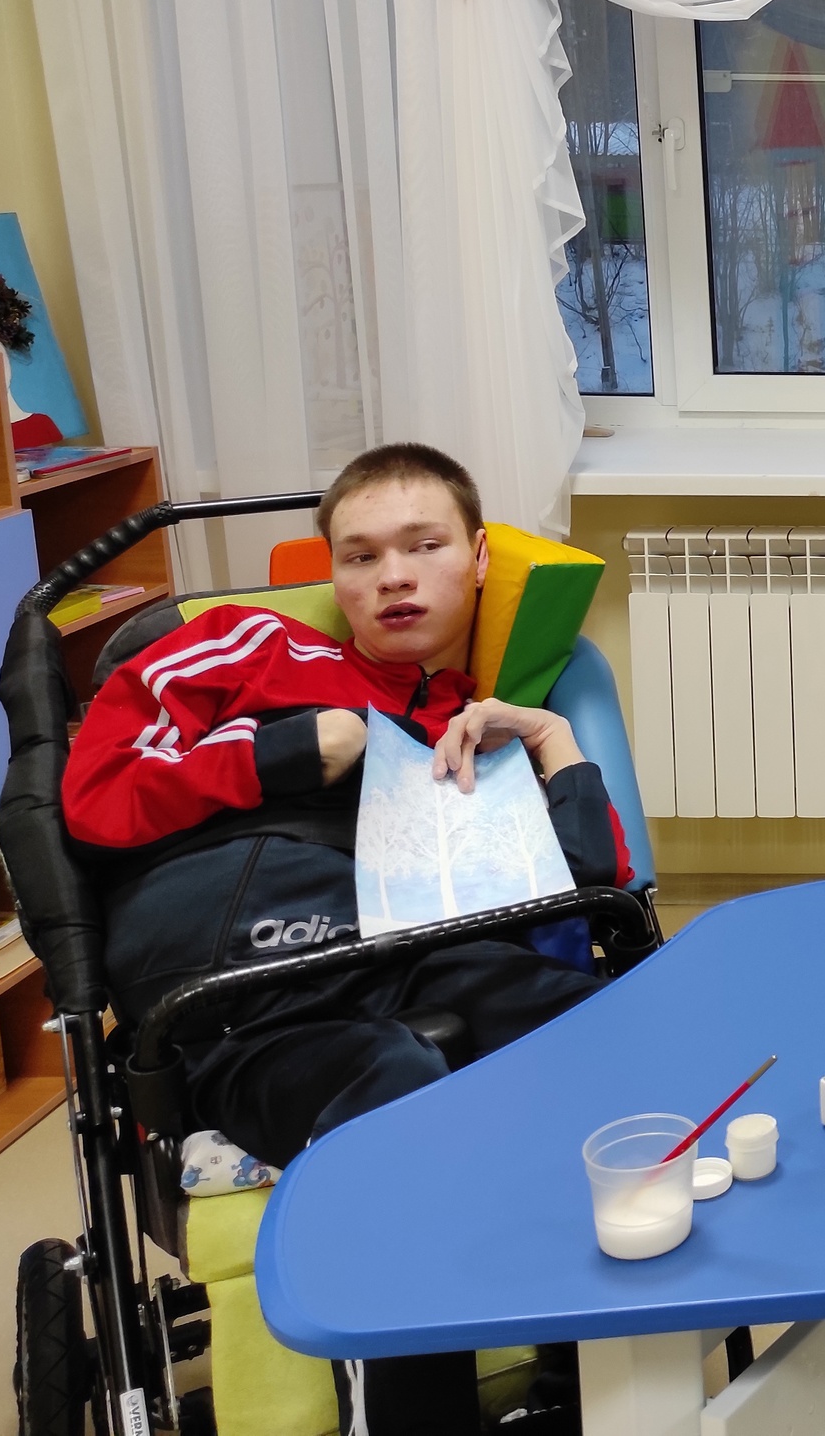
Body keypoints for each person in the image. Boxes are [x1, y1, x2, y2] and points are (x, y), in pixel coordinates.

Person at [64, 442, 633, 1436]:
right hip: (241, 984)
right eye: (361, 556)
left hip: (409, 956)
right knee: (395, 1088)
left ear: (479, 558)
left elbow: (588, 889)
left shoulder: (474, 719)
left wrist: (551, 740)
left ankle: (592, 1379)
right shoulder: (244, 644)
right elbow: (96, 795)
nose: (393, 576)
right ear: (334, 575)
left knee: (617, 1034)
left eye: (424, 546)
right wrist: (285, 751)